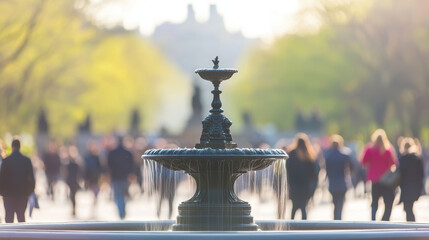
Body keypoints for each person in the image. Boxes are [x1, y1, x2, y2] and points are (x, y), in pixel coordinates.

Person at [362, 129, 397, 221]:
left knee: (374, 202)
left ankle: (373, 220)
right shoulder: (388, 149)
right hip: (386, 180)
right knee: (387, 202)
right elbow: (394, 163)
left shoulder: (369, 149)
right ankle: (384, 220)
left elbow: (364, 162)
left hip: (374, 180)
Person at [0, 138, 35, 223]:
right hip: (22, 195)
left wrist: (2, 193)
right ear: (20, 147)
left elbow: (1, 178)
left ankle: (8, 236)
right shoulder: (26, 161)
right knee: (21, 217)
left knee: (9, 218)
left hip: (8, 195)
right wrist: (29, 192)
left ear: (12, 147)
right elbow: (31, 179)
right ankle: (21, 236)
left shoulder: (6, 161)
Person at [286, 133, 317, 220]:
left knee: (294, 207)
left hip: (294, 185)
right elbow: (313, 173)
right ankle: (304, 226)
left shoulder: (291, 153)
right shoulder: (309, 154)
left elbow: (287, 169)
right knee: (303, 207)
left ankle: (291, 225)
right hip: (305, 186)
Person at [324, 134, 352, 220]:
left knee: (335, 202)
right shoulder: (344, 155)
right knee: (340, 202)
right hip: (342, 182)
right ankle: (338, 218)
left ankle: (335, 218)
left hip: (332, 182)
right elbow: (352, 167)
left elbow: (326, 169)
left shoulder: (328, 155)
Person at [107, 136, 134, 219]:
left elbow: (108, 166)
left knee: (118, 195)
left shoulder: (112, 153)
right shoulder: (128, 153)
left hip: (115, 177)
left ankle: (121, 212)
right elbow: (132, 165)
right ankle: (123, 210)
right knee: (124, 195)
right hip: (125, 177)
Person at [398, 137, 424, 222]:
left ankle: (411, 225)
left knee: (408, 208)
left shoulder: (403, 159)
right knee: (409, 207)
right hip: (415, 187)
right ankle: (411, 225)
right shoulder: (417, 159)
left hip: (406, 188)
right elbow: (421, 174)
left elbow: (400, 174)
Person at [65, 145, 81, 217]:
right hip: (71, 181)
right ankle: (73, 208)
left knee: (73, 195)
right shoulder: (69, 163)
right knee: (72, 195)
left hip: (74, 181)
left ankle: (74, 208)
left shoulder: (76, 163)